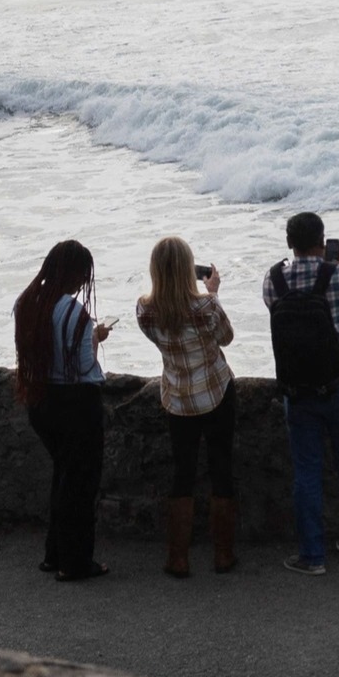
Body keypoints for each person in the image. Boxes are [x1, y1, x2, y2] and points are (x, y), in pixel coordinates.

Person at [263, 211, 339, 575]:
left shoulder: (274, 279)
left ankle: (312, 556)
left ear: (289, 244)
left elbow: (275, 310)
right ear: (323, 240)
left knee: (307, 472)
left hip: (298, 390)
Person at [11, 239, 115, 582]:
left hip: (41, 403)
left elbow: (45, 352)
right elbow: (84, 369)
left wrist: (87, 338)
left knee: (63, 478)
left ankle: (53, 554)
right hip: (76, 405)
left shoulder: (28, 302)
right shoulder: (76, 313)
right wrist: (93, 339)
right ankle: (75, 562)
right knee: (80, 486)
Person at [137, 235, 239, 578]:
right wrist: (212, 294)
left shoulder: (145, 310)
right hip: (216, 394)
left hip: (178, 398)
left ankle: (178, 557)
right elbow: (226, 338)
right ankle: (223, 554)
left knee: (183, 474)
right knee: (220, 468)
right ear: (187, 269)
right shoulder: (205, 307)